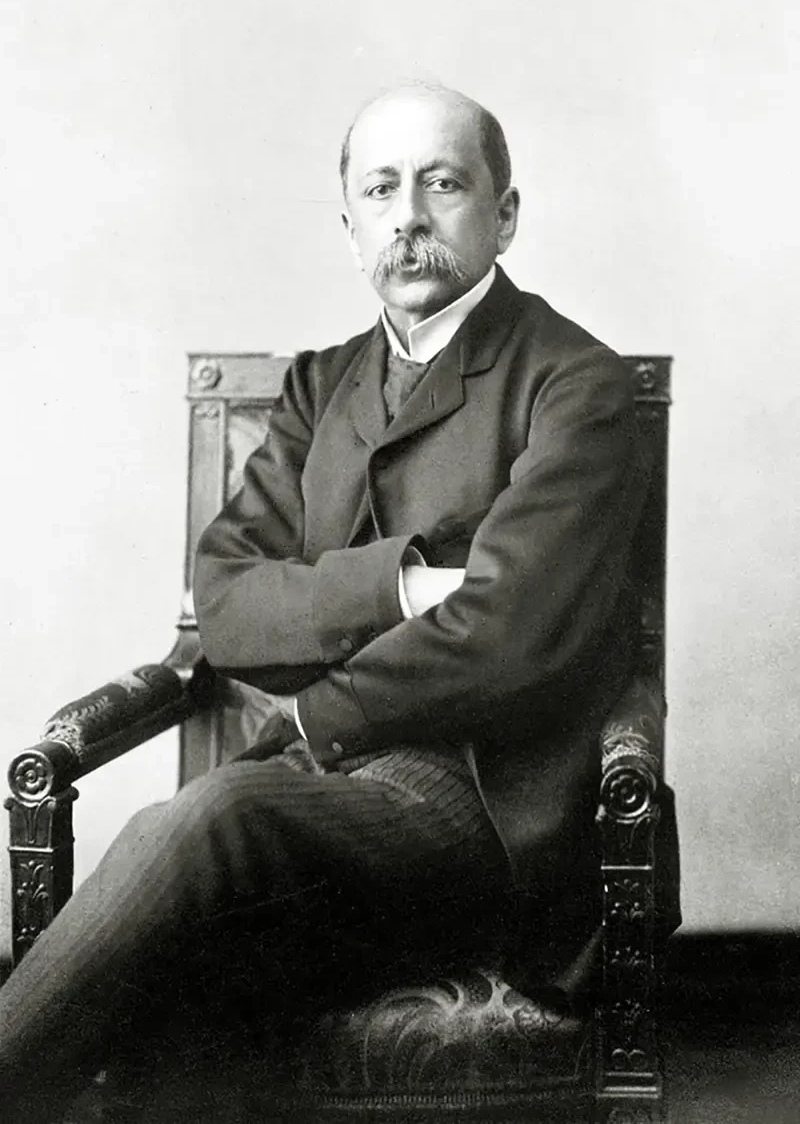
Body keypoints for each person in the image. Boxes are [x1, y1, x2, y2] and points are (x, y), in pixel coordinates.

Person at [0, 83, 652, 1121]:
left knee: (211, 821)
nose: (408, 216)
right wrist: (406, 586)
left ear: (504, 215)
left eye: (442, 184)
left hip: (484, 801)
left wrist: (313, 710)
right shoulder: (320, 386)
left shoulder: (574, 384)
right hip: (327, 809)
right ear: (349, 228)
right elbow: (224, 604)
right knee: (184, 978)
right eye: (380, 190)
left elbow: (510, 637)